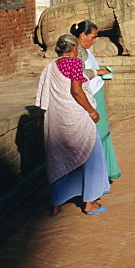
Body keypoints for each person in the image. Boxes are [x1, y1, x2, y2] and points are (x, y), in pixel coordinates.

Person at [35, 34, 111, 216]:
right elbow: (76, 90)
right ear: (73, 48)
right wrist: (92, 111)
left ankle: (56, 204)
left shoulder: (51, 66)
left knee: (58, 158)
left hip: (58, 119)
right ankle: (90, 202)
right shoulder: (75, 64)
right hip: (77, 116)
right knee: (92, 155)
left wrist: (97, 72)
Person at [70, 21, 120, 181]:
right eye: (92, 37)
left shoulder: (85, 50)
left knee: (103, 133)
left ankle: (102, 174)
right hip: (89, 96)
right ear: (82, 35)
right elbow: (79, 75)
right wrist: (97, 72)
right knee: (96, 136)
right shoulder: (77, 52)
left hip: (95, 92)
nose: (94, 41)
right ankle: (96, 178)